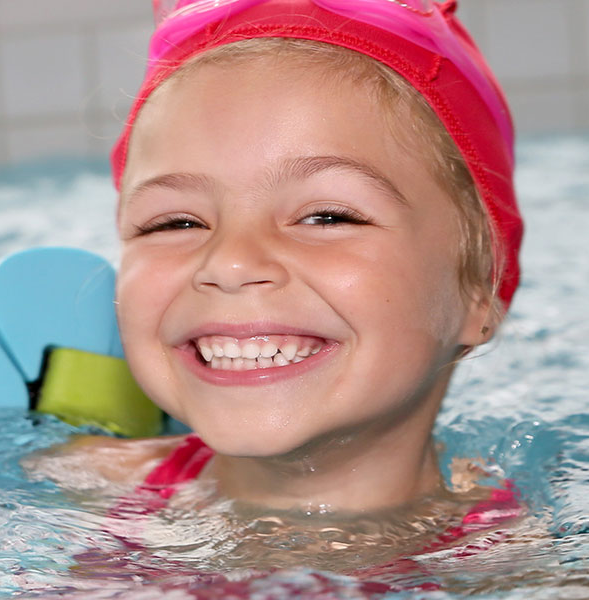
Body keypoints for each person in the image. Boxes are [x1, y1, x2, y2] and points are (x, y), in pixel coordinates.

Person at [32, 0, 528, 580]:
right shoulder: (88, 479)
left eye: (326, 216)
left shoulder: (511, 568)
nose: (230, 262)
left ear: (477, 291)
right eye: (175, 222)